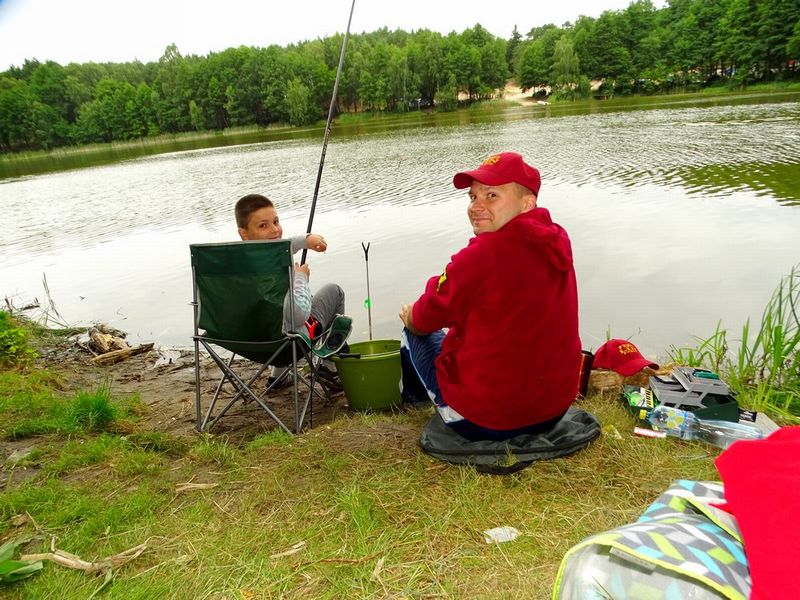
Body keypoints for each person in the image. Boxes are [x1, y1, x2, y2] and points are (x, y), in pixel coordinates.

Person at [399, 152, 580, 441]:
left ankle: (415, 402)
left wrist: (411, 317)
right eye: (473, 197)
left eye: (491, 195)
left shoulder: (482, 255)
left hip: (489, 421)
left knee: (411, 327)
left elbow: (425, 317)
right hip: (553, 410)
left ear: (527, 203)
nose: (476, 206)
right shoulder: (555, 239)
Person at [235, 193, 345, 389]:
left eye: (276, 221)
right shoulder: (274, 267)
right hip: (287, 344)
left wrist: (305, 240)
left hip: (243, 342)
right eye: (263, 225)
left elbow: (280, 246)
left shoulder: (233, 264)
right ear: (244, 233)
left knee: (276, 315)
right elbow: (297, 316)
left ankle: (278, 376)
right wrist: (300, 279)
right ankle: (329, 367)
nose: (275, 230)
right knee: (334, 292)